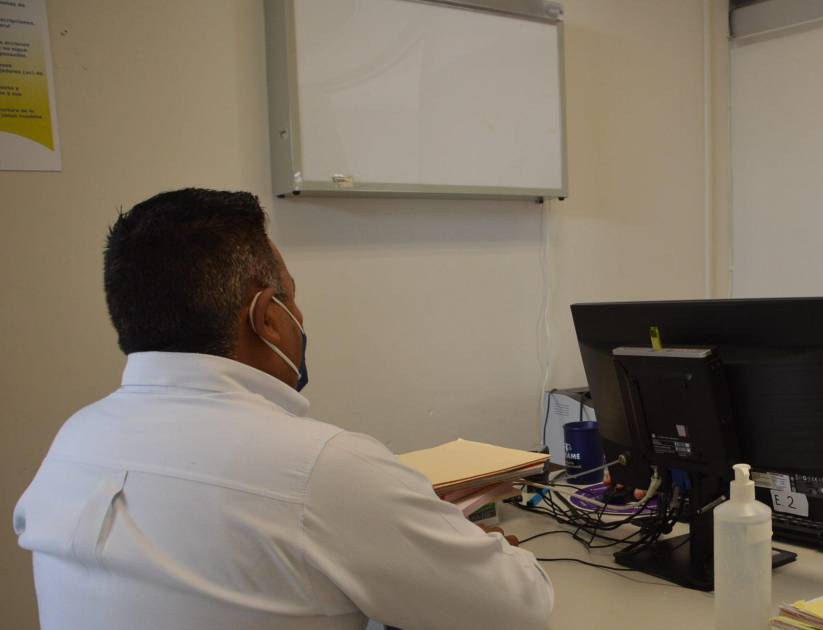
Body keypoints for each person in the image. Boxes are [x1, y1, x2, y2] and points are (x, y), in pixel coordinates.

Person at [13, 189, 553, 630]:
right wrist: (469, 544)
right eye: (290, 298)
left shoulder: (74, 440)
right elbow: (521, 609)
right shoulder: (321, 468)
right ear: (267, 317)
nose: (300, 317)